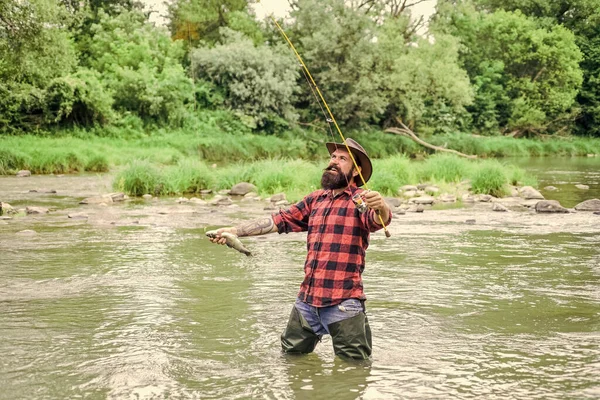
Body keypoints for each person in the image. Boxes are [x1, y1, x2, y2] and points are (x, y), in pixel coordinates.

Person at [208, 138, 391, 360]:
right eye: (333, 157)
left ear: (356, 171)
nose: (334, 161)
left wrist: (381, 206)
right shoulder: (316, 199)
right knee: (290, 360)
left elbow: (378, 220)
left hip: (344, 304)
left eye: (343, 159)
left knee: (353, 370)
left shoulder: (360, 200)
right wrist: (234, 231)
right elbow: (279, 220)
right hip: (306, 302)